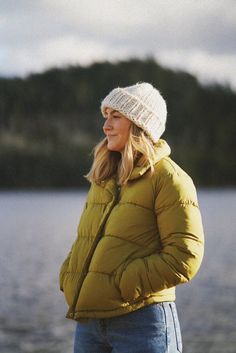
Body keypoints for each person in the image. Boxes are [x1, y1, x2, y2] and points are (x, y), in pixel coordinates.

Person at [59, 82, 204, 353]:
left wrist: (123, 282)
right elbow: (87, 239)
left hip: (142, 323)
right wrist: (70, 274)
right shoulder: (103, 178)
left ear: (140, 125)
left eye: (116, 116)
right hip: (90, 324)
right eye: (106, 116)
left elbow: (185, 256)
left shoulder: (170, 180)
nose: (106, 126)